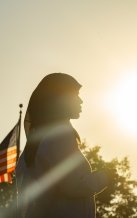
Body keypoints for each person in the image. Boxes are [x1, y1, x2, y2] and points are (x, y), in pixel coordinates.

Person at [16, 73, 113, 218]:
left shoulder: (36, 144)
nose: (80, 101)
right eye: (75, 95)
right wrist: (105, 176)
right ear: (59, 100)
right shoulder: (59, 136)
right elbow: (74, 185)